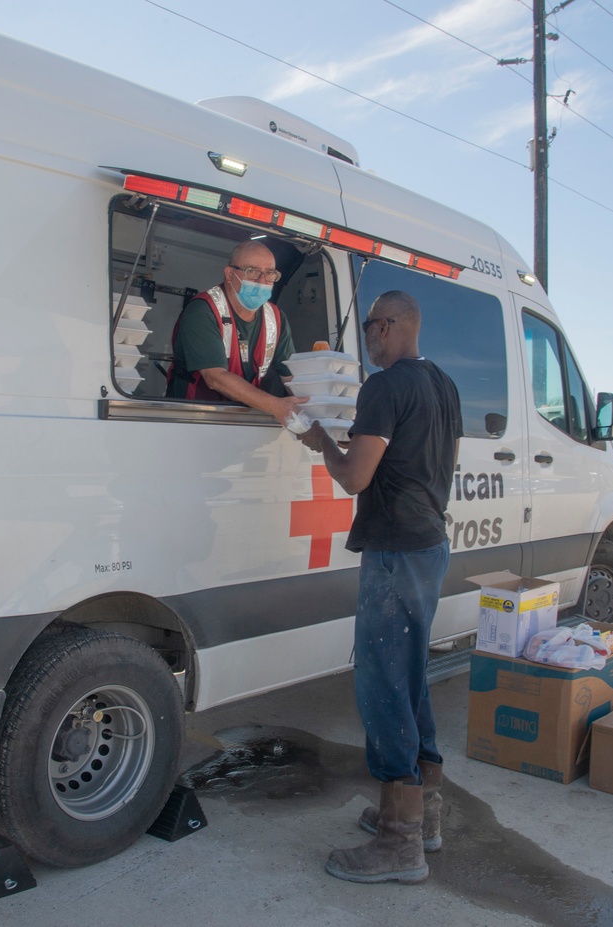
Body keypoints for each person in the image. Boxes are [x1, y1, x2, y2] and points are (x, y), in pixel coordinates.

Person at [298, 290, 462, 885]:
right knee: (411, 675)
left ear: (390, 325)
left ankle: (400, 843)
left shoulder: (385, 386)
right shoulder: (442, 384)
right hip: (429, 543)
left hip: (395, 548)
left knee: (383, 685)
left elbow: (354, 477)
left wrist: (321, 442)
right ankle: (427, 818)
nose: (367, 337)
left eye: (370, 327)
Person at [166, 240, 307, 426]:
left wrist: (318, 413)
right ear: (230, 274)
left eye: (270, 274)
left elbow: (291, 378)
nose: (262, 281)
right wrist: (276, 406)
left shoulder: (275, 317)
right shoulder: (203, 310)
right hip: (194, 420)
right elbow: (215, 377)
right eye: (252, 271)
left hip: (243, 419)